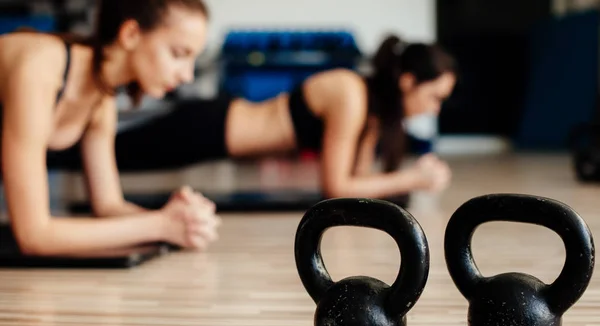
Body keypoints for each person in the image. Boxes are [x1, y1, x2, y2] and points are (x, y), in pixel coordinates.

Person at [104, 34, 457, 199]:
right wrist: (412, 179)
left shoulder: (371, 113)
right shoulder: (350, 93)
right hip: (209, 126)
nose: (435, 107)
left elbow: (356, 183)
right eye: (435, 96)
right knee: (103, 152)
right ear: (408, 82)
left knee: (110, 156)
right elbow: (336, 188)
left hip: (214, 138)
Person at [0, 0, 221, 256]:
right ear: (130, 34)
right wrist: (160, 225)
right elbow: (34, 236)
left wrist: (178, 220)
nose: (187, 75)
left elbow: (108, 206)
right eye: (179, 54)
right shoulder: (40, 67)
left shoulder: (101, 98)